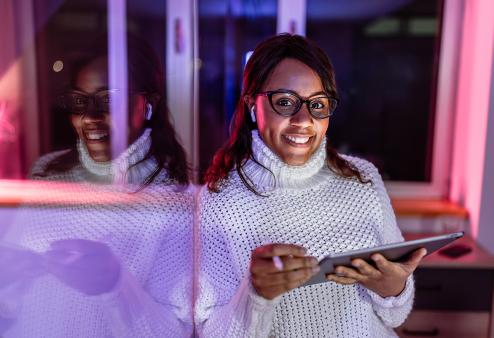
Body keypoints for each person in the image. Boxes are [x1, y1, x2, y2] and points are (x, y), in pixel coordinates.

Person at [195, 34, 426, 337]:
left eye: (317, 104)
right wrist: (257, 296)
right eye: (285, 102)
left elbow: (394, 315)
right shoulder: (221, 200)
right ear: (253, 104)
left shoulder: (363, 178)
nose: (303, 120)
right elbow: (208, 330)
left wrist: (393, 288)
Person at [0, 35, 193, 337]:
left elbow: (174, 331)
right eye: (80, 101)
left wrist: (114, 284)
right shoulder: (47, 172)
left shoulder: (173, 200)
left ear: (149, 104)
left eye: (109, 100)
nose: (90, 117)